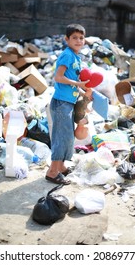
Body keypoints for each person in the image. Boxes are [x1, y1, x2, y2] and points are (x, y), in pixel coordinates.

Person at [45, 23, 91, 185]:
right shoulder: (67, 55)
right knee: (61, 137)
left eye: (81, 38)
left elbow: (71, 84)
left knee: (67, 137)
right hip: (60, 103)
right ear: (67, 39)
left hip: (68, 103)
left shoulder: (76, 57)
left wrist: (83, 93)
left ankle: (62, 166)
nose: (78, 41)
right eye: (74, 38)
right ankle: (52, 172)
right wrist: (79, 85)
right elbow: (58, 77)